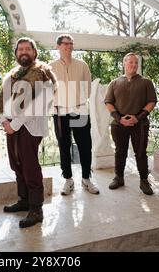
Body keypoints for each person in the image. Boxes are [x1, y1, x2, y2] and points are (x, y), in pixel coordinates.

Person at [0, 37, 56, 228]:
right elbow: (3, 99)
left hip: (30, 126)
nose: (24, 52)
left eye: (27, 49)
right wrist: (4, 120)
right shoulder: (12, 75)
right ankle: (24, 200)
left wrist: (14, 124)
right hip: (12, 126)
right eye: (20, 49)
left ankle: (36, 209)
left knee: (30, 166)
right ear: (16, 54)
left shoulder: (43, 72)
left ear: (34, 53)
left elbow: (40, 103)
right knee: (17, 164)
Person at [50, 34, 100, 196]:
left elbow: (88, 89)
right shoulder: (50, 67)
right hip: (59, 113)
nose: (69, 47)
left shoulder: (82, 65)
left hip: (79, 110)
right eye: (65, 44)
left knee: (85, 145)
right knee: (64, 146)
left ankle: (86, 178)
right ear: (58, 46)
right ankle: (68, 180)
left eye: (71, 44)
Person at [105, 53, 157, 195]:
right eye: (131, 62)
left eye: (136, 63)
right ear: (124, 63)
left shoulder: (146, 82)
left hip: (140, 124)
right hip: (118, 124)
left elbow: (152, 102)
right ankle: (119, 178)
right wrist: (119, 118)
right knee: (120, 152)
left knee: (140, 153)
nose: (134, 65)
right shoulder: (114, 83)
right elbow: (108, 102)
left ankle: (144, 181)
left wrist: (138, 118)